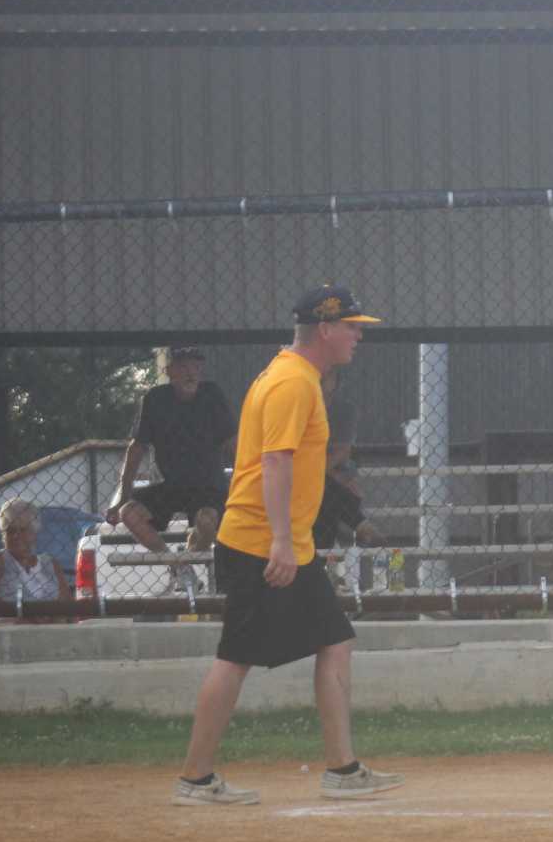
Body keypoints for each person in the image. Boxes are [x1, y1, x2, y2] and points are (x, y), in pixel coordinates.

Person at [173, 285, 405, 806]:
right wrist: (280, 540)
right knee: (235, 657)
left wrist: (291, 540)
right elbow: (275, 461)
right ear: (324, 329)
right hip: (261, 544)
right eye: (350, 326)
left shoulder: (296, 376)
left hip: (286, 544)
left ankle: (342, 769)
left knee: (335, 640)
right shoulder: (292, 382)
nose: (358, 335)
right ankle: (195, 778)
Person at [108, 345, 236, 591]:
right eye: (184, 367)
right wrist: (123, 495)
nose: (191, 373)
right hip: (171, 485)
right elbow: (137, 448)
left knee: (207, 520)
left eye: (196, 367)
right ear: (169, 371)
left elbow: (233, 442)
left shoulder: (212, 395)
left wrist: (243, 482)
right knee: (129, 513)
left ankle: (187, 558)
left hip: (208, 485)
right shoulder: (155, 399)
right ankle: (178, 567)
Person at [311, 366, 382, 552]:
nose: (322, 379)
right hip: (311, 476)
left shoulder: (344, 410)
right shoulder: (300, 407)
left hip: (332, 472)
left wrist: (321, 472)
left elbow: (342, 451)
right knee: (328, 491)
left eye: (328, 375)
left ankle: (354, 525)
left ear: (337, 380)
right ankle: (358, 521)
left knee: (326, 492)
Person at [0, 498, 71, 620]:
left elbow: (67, 604)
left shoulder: (50, 564)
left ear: (34, 533)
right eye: (10, 531)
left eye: (23, 530)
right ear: (3, 535)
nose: (16, 536)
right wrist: (28, 616)